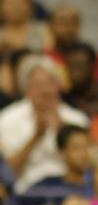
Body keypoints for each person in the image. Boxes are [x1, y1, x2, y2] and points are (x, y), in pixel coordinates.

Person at [0, 56, 90, 194]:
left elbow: (87, 165)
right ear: (26, 89)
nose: (44, 90)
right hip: (26, 192)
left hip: (71, 190)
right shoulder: (8, 119)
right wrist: (36, 136)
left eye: (49, 83)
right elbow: (6, 172)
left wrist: (63, 131)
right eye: (37, 85)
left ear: (58, 86)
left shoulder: (77, 119)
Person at [27, 125, 91, 197]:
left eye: (87, 147)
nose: (84, 154)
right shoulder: (47, 187)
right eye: (76, 148)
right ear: (62, 152)